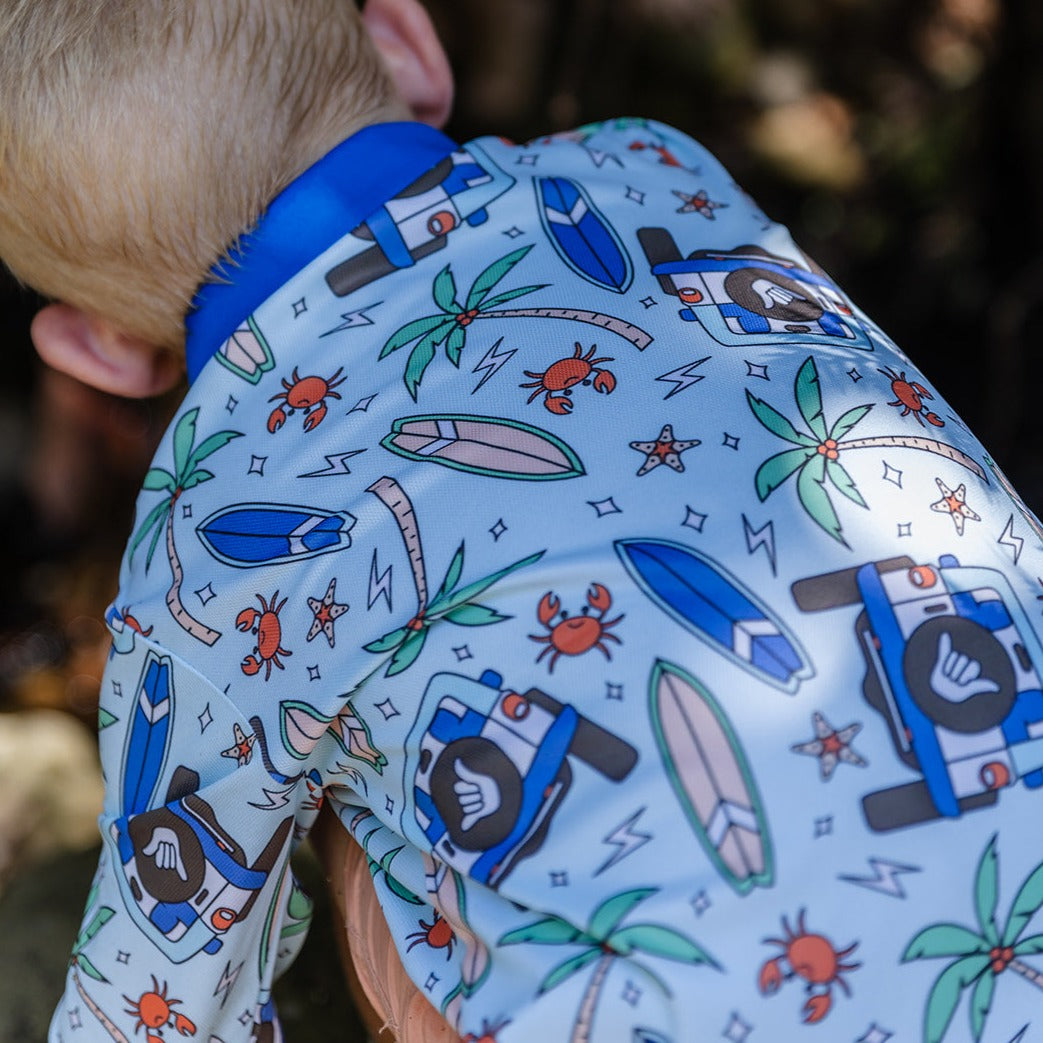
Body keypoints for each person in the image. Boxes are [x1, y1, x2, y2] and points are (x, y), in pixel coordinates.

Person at [4, 2, 1042, 1041]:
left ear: (99, 352)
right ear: (409, 48)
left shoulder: (212, 540)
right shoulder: (650, 167)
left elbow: (154, 985)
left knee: (343, 809)